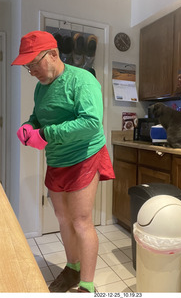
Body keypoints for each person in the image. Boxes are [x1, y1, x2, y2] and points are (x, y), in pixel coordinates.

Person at [12, 30, 115, 293]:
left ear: (54, 54)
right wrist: (29, 125)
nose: (32, 71)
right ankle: (72, 269)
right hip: (57, 158)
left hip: (84, 156)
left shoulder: (82, 80)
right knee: (62, 217)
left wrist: (45, 134)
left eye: (34, 63)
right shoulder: (40, 87)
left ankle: (87, 285)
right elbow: (39, 116)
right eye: (27, 66)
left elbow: (91, 123)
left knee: (81, 220)